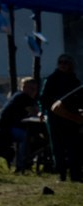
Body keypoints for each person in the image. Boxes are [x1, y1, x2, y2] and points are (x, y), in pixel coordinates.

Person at [42, 54, 81, 182]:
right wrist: (46, 111)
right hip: (56, 118)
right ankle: (61, 174)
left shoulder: (75, 81)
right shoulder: (52, 79)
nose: (63, 65)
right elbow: (44, 99)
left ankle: (75, 174)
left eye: (66, 62)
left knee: (73, 147)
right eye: (60, 62)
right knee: (58, 147)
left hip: (71, 119)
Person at [0, 76, 41, 172]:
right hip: (6, 129)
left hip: (14, 127)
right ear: (23, 88)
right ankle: (21, 164)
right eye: (30, 88)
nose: (33, 91)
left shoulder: (24, 97)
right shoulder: (22, 97)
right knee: (26, 137)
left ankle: (28, 161)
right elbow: (35, 112)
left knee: (35, 137)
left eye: (35, 89)